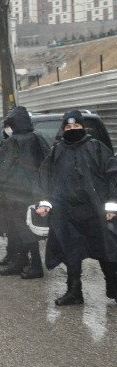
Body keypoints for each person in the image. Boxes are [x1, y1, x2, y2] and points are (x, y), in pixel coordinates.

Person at [36, 110, 117, 306]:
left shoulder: (97, 148)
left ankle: (113, 288)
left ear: (83, 127)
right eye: (69, 127)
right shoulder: (56, 151)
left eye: (76, 126)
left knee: (105, 249)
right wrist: (45, 202)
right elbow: (44, 177)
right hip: (67, 212)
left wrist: (111, 206)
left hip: (95, 211)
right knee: (71, 252)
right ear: (64, 129)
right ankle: (74, 292)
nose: (73, 129)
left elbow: (113, 176)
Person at [0, 107, 51, 278]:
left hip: (14, 193)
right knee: (30, 228)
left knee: (17, 229)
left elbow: (1, 167)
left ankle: (31, 265)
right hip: (34, 192)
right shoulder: (39, 138)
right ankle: (25, 262)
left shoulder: (12, 142)